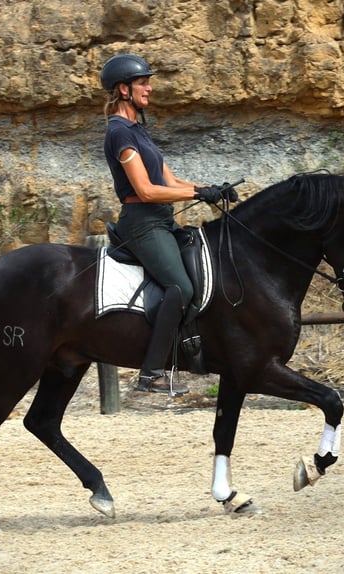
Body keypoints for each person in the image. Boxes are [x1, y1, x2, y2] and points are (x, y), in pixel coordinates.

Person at [100, 53, 235, 395]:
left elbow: (168, 179)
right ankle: (150, 372)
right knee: (182, 288)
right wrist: (195, 194)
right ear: (123, 89)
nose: (149, 87)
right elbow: (145, 190)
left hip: (161, 220)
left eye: (148, 81)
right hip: (142, 223)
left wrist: (207, 189)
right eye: (142, 82)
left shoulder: (138, 130)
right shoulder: (118, 132)